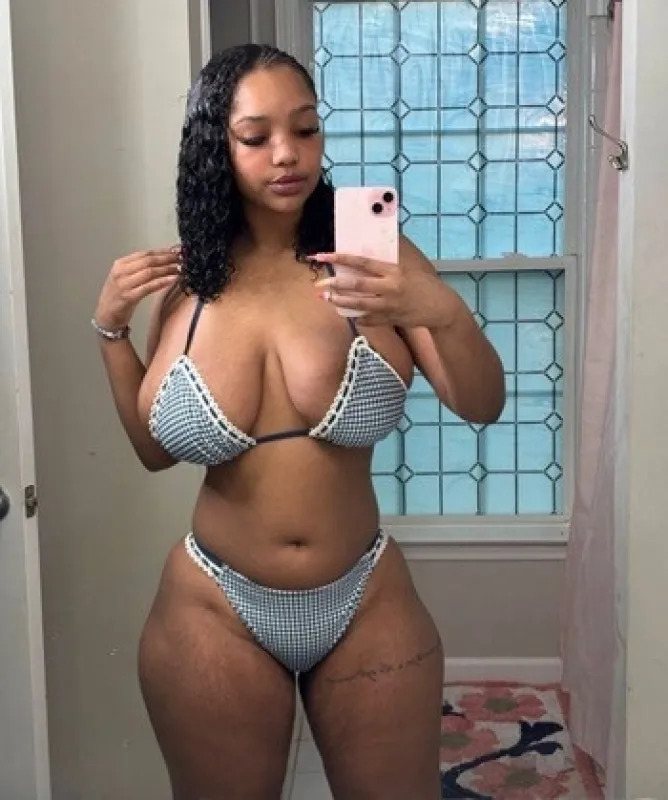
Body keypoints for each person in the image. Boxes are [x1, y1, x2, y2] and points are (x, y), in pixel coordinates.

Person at [93, 43, 504, 800]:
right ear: (216, 147)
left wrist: (442, 311)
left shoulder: (370, 256)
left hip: (365, 596)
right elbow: (154, 453)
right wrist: (111, 332)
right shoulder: (190, 282)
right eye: (256, 137)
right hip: (213, 605)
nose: (288, 154)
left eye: (306, 129)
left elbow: (483, 403)